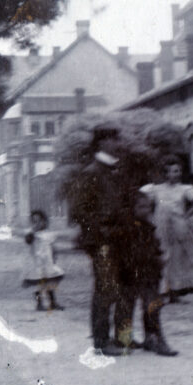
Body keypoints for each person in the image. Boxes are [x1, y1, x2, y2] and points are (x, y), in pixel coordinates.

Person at [69, 126, 132, 356]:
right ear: (102, 142)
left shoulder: (117, 170)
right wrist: (100, 233)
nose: (118, 144)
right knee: (105, 289)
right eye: (114, 139)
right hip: (103, 241)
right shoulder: (91, 172)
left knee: (124, 288)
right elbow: (79, 210)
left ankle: (123, 339)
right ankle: (101, 341)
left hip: (122, 239)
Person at [118, 187, 177, 356]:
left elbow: (153, 247)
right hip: (132, 273)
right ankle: (125, 339)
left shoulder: (148, 226)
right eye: (141, 207)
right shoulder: (129, 228)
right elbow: (136, 252)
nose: (145, 210)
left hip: (150, 273)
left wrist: (160, 255)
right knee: (127, 306)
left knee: (152, 306)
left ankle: (154, 338)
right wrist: (155, 258)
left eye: (148, 207)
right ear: (132, 209)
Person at [143, 155, 193, 302]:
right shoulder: (156, 189)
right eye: (172, 171)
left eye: (178, 171)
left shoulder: (184, 189)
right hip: (161, 227)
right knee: (163, 256)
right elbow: (140, 199)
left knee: (178, 258)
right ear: (165, 173)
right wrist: (148, 216)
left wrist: (190, 212)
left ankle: (175, 293)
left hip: (179, 227)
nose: (176, 174)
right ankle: (160, 291)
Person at [22, 210, 65, 312]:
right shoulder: (31, 234)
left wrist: (55, 256)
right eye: (34, 222)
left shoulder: (48, 234)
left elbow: (52, 246)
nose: (37, 224)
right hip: (36, 263)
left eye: (39, 221)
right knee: (39, 284)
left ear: (44, 221)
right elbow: (28, 241)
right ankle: (39, 303)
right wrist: (32, 231)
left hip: (47, 262)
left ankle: (53, 302)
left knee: (51, 281)